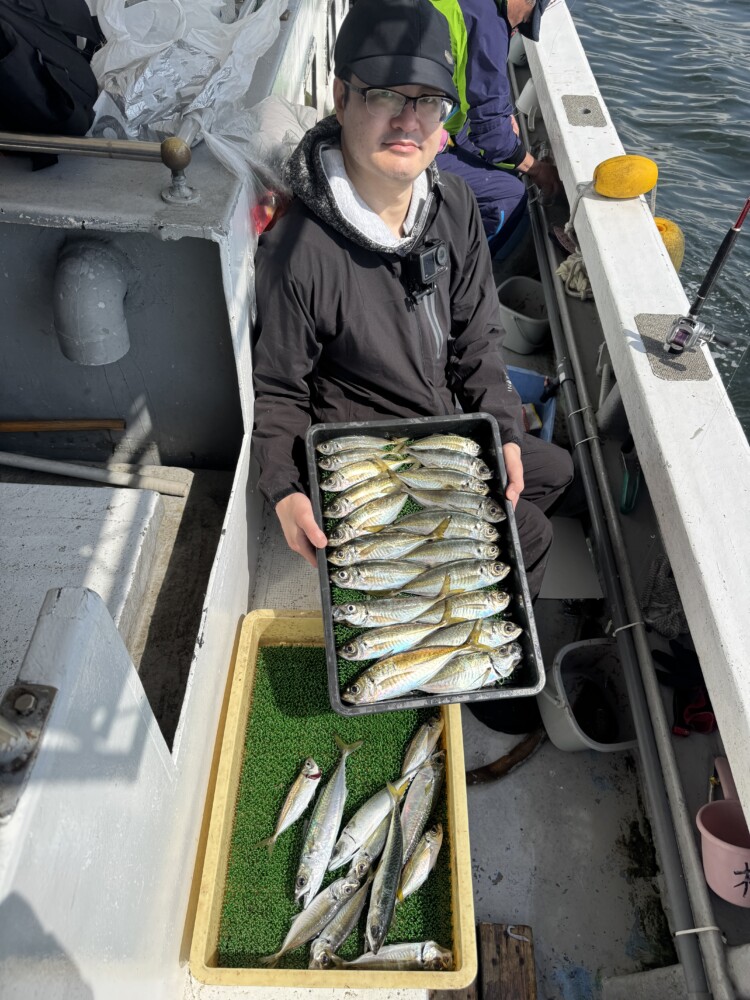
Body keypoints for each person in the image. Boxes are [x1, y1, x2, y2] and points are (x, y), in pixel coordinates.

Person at [251, 0, 573, 603]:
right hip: (370, 452)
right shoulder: (298, 250)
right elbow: (280, 391)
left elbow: (478, 339)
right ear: (342, 98)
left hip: (445, 419)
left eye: (427, 100)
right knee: (530, 533)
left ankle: (452, 585)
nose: (408, 121)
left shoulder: (452, 205)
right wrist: (284, 488)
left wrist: (501, 425)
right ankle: (470, 638)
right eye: (385, 96)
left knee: (556, 471)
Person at [431, 0, 561, 254]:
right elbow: (493, 136)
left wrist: (499, 122)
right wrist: (537, 169)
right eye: (528, 16)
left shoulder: (469, 7)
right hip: (407, 143)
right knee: (509, 196)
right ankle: (465, 280)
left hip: (393, 115)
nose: (517, 28)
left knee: (503, 157)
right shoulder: (486, 24)